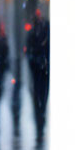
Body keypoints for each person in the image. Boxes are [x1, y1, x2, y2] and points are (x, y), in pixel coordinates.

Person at [25, 10, 50, 141]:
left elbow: (29, 53)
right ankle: (40, 123)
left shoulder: (42, 33)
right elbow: (29, 54)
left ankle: (40, 123)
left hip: (41, 73)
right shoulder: (35, 34)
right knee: (40, 99)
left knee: (40, 99)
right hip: (39, 73)